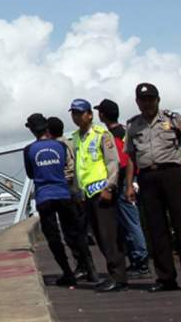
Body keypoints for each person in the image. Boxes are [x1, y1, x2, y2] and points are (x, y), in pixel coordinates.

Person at [124, 82, 181, 292]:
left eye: (150, 99)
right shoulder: (133, 126)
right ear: (137, 102)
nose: (147, 103)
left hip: (172, 174)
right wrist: (129, 185)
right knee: (156, 230)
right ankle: (165, 278)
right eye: (143, 100)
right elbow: (131, 157)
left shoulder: (173, 119)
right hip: (147, 178)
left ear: (158, 100)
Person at [23, 113, 92, 286]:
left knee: (53, 237)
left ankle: (67, 272)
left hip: (44, 197)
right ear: (47, 127)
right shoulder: (60, 146)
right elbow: (68, 166)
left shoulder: (29, 150)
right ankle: (92, 272)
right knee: (76, 233)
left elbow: (30, 174)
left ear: (31, 130)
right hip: (63, 193)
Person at [68, 98, 128, 292]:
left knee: (108, 235)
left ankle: (118, 277)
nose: (76, 117)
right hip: (87, 193)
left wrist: (110, 187)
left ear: (89, 115)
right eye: (74, 113)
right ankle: (113, 275)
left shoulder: (102, 134)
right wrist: (78, 191)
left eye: (80, 113)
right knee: (100, 236)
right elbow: (78, 165)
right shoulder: (76, 137)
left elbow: (113, 162)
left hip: (102, 190)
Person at [95, 98, 150, 277]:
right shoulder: (127, 130)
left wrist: (121, 183)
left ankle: (141, 262)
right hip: (135, 178)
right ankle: (138, 260)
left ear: (102, 114)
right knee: (131, 222)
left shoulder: (112, 135)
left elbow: (121, 161)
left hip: (125, 180)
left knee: (131, 222)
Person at [48, 115, 96, 279]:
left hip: (69, 191)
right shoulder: (70, 142)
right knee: (79, 230)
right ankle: (88, 267)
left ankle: (84, 267)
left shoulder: (58, 146)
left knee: (71, 232)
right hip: (78, 190)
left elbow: (68, 168)